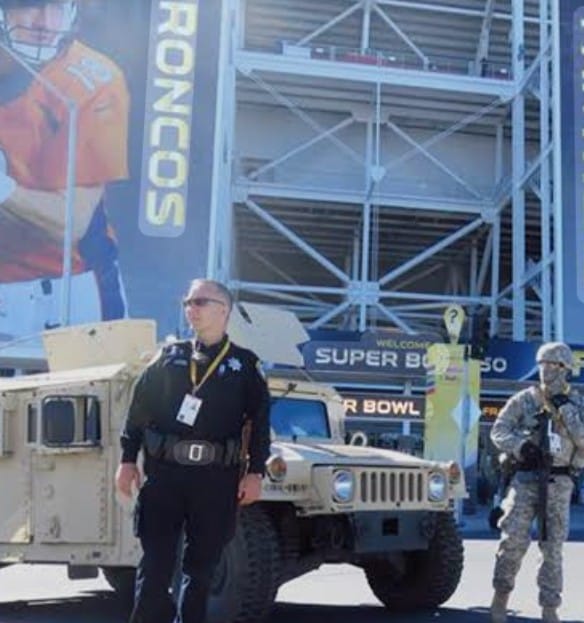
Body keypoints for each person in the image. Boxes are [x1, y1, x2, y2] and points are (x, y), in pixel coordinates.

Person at [114, 279, 270, 623]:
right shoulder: (169, 357)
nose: (191, 309)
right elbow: (138, 411)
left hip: (215, 479)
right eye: (187, 302)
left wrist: (256, 472)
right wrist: (127, 460)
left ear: (224, 310)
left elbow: (260, 422)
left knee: (200, 571)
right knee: (155, 566)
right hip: (165, 475)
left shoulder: (244, 365)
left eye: (200, 302)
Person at [0, 0, 130, 340]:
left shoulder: (91, 80)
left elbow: (69, 222)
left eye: (56, 7)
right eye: (29, 6)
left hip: (64, 292)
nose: (45, 22)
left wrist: (3, 189)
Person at [488, 342, 584, 623]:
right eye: (541, 364)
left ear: (565, 368)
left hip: (559, 481)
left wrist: (567, 412)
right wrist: (521, 446)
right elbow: (498, 430)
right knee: (512, 539)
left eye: (552, 364)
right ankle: (500, 597)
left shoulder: (578, 403)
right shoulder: (525, 399)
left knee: (552, 548)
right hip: (526, 478)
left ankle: (550, 608)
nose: (545, 370)